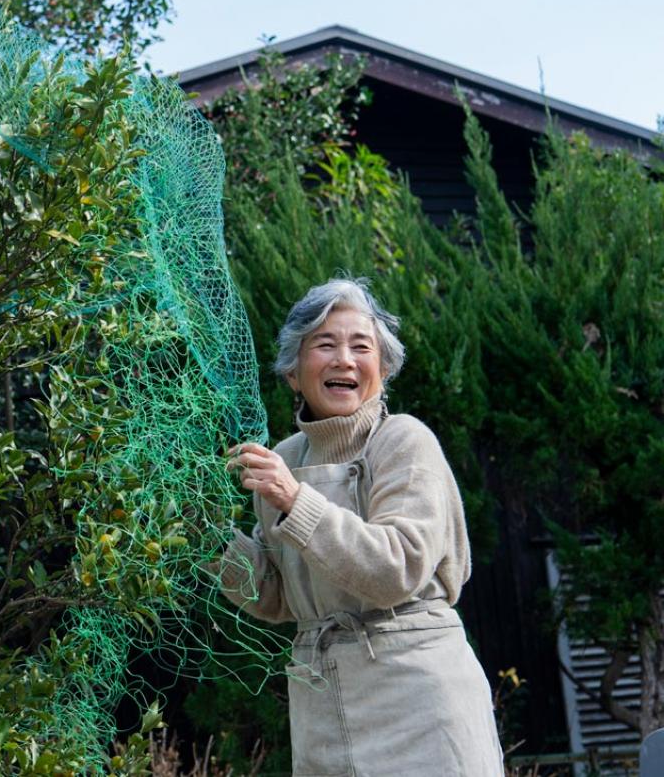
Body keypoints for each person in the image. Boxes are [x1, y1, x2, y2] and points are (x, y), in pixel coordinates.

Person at [215, 277, 504, 776]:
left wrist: (294, 499)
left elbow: (396, 568)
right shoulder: (283, 459)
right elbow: (278, 597)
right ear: (292, 372)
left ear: (383, 369)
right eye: (324, 345)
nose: (344, 360)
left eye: (360, 346)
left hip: (418, 692)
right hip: (321, 699)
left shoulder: (404, 442)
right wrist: (207, 540)